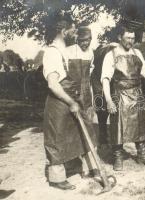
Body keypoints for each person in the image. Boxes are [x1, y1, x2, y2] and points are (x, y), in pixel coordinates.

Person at [43, 13, 98, 190]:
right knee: (57, 138)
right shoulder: (51, 52)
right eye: (73, 30)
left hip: (70, 98)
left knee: (81, 132)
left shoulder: (63, 51)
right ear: (63, 30)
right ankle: (57, 179)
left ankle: (86, 167)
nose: (75, 33)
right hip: (58, 102)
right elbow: (53, 84)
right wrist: (71, 102)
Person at [101, 25, 145, 171]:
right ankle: (118, 157)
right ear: (120, 37)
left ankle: (142, 154)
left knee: (140, 125)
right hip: (119, 94)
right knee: (118, 126)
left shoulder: (137, 52)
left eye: (133, 38)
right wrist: (108, 100)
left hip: (137, 94)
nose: (130, 41)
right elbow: (105, 79)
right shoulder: (111, 55)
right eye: (128, 38)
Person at [65, 26, 100, 179]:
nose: (86, 43)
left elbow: (90, 73)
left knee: (89, 128)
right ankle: (75, 164)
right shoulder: (68, 51)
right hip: (71, 93)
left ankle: (90, 166)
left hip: (86, 94)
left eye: (88, 40)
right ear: (77, 39)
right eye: (83, 40)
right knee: (72, 130)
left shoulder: (91, 53)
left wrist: (89, 95)